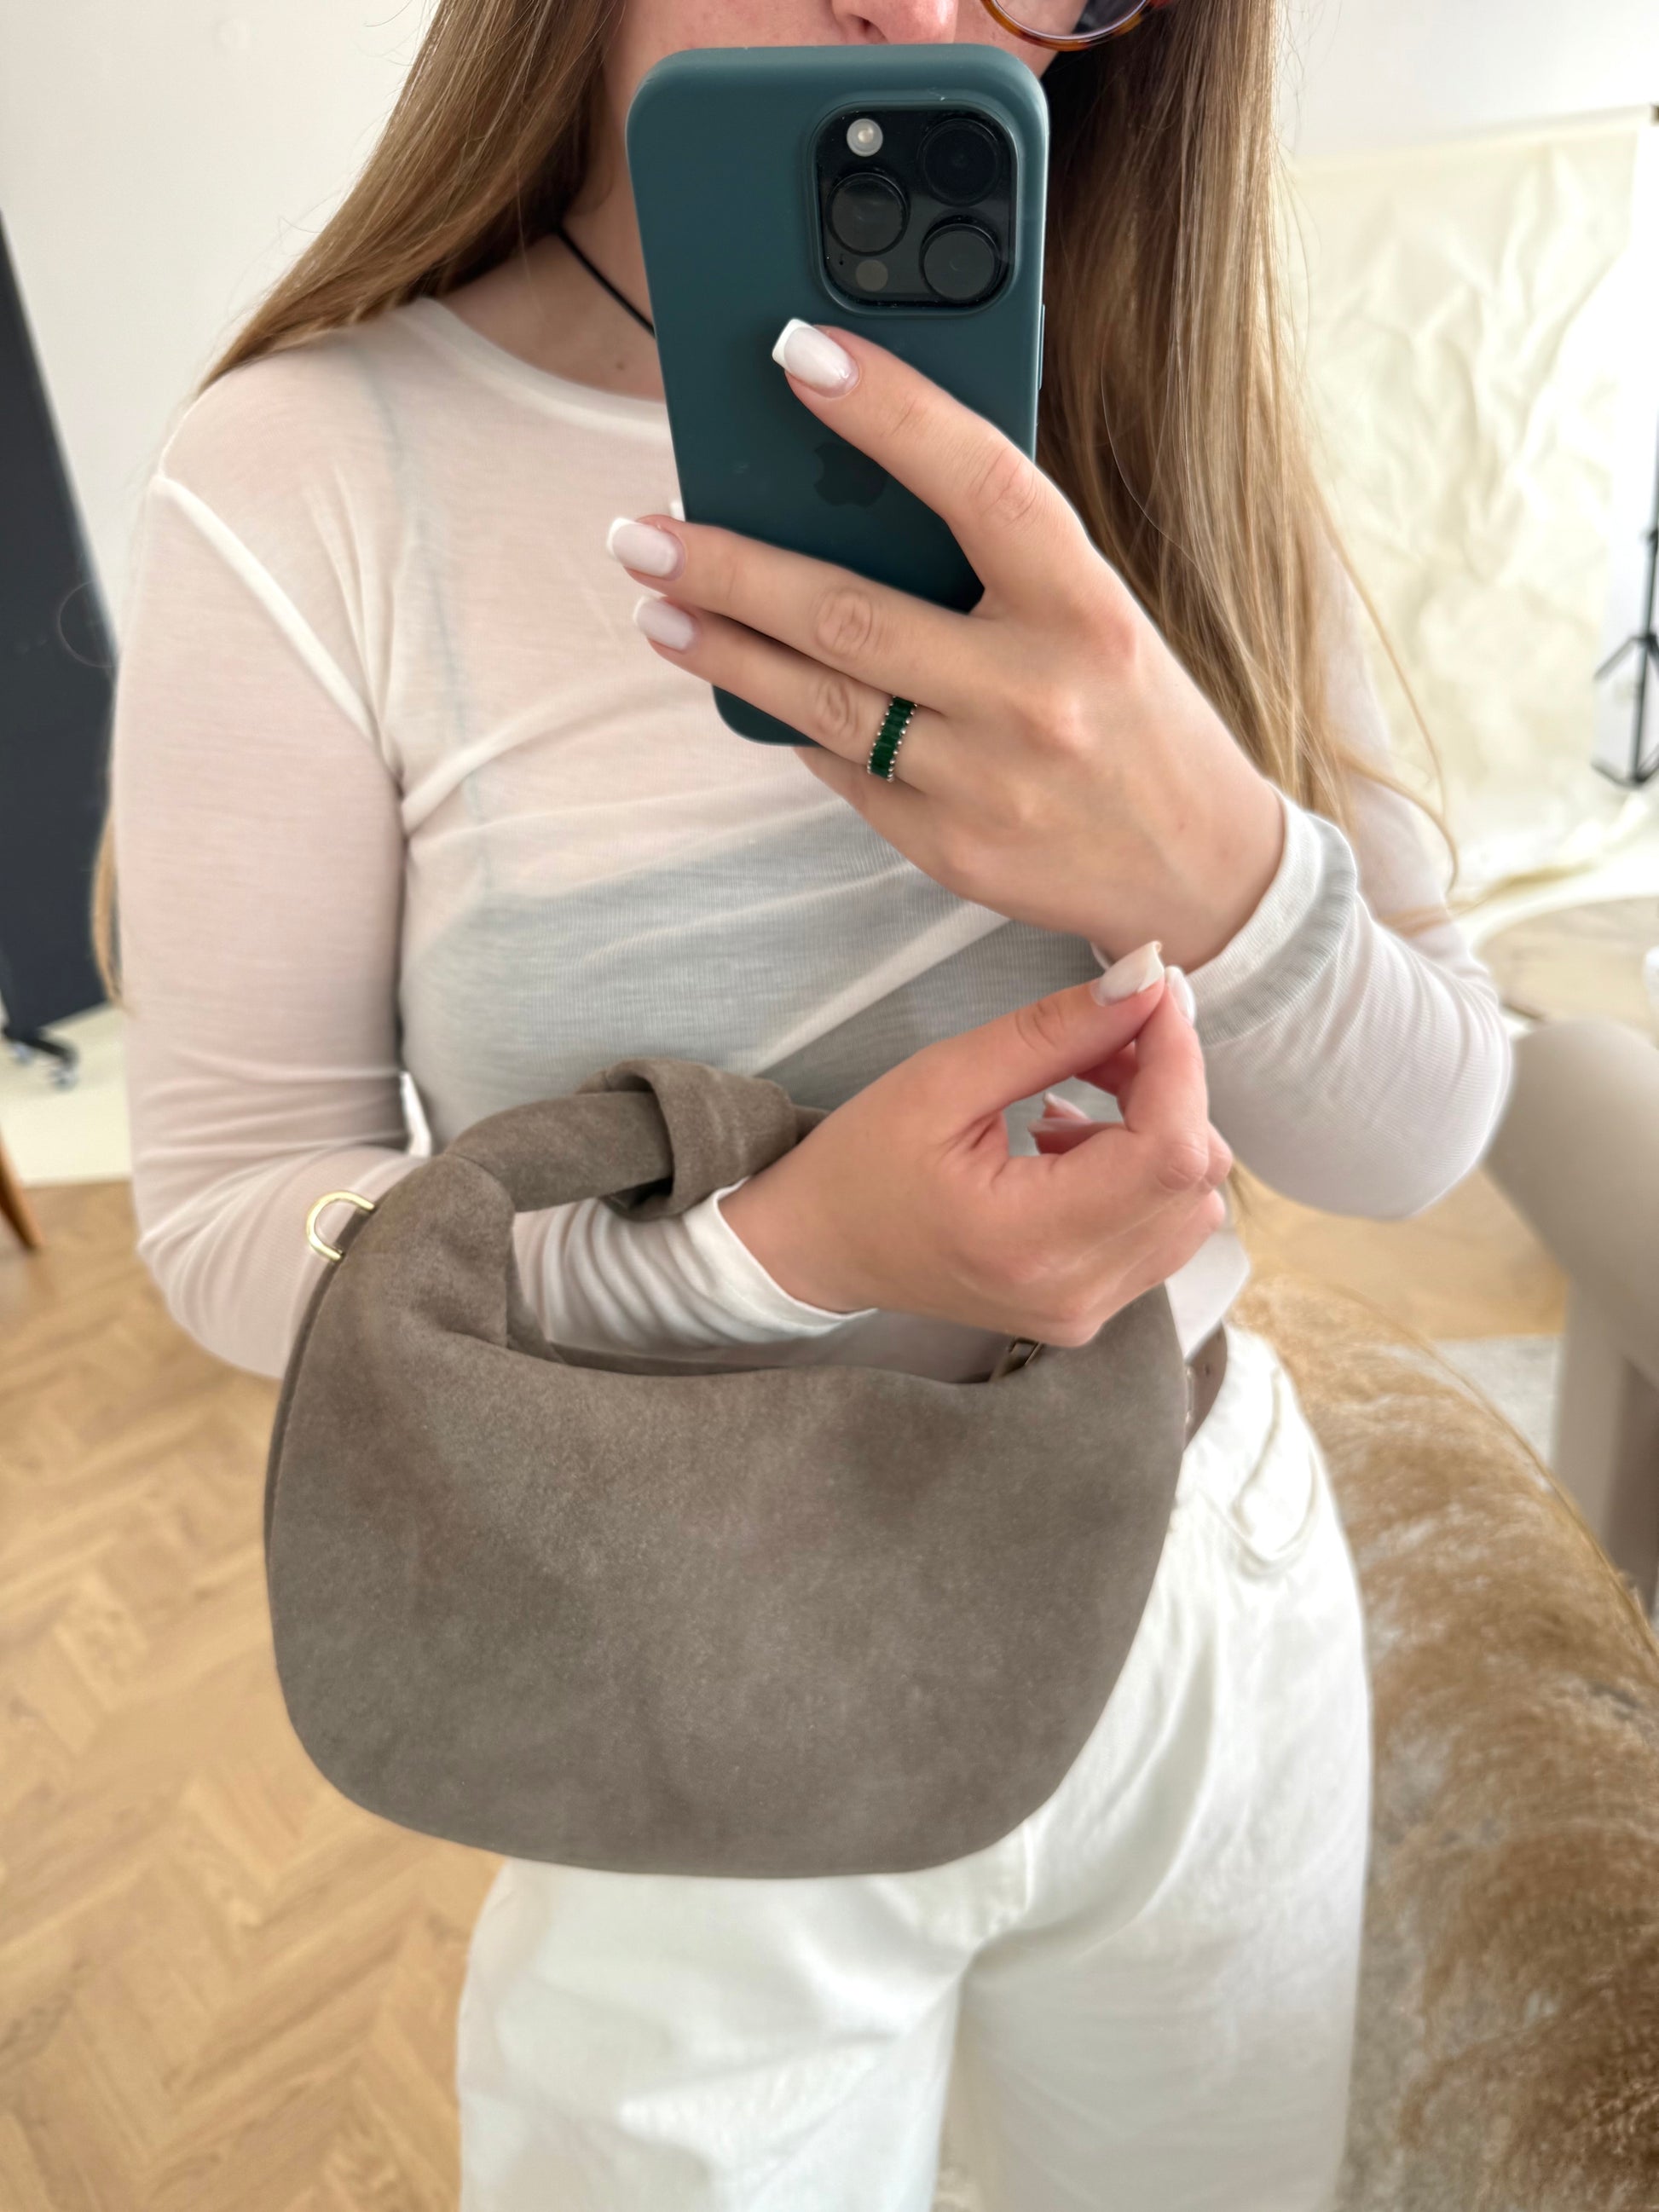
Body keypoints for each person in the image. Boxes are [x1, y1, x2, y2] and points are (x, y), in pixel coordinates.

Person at [102, 0, 1514, 2204]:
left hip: (1200, 1596)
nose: (932, 14)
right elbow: (229, 1214)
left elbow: (1420, 1131)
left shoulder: (1166, 395)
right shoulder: (309, 471)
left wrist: (1211, 856)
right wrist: (774, 1262)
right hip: (693, 1642)